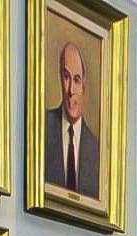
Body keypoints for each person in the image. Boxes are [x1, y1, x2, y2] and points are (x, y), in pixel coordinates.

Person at [43, 42, 100, 197]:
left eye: (76, 80)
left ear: (84, 86)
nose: (71, 91)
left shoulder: (96, 150)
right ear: (60, 78)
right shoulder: (42, 129)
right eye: (66, 77)